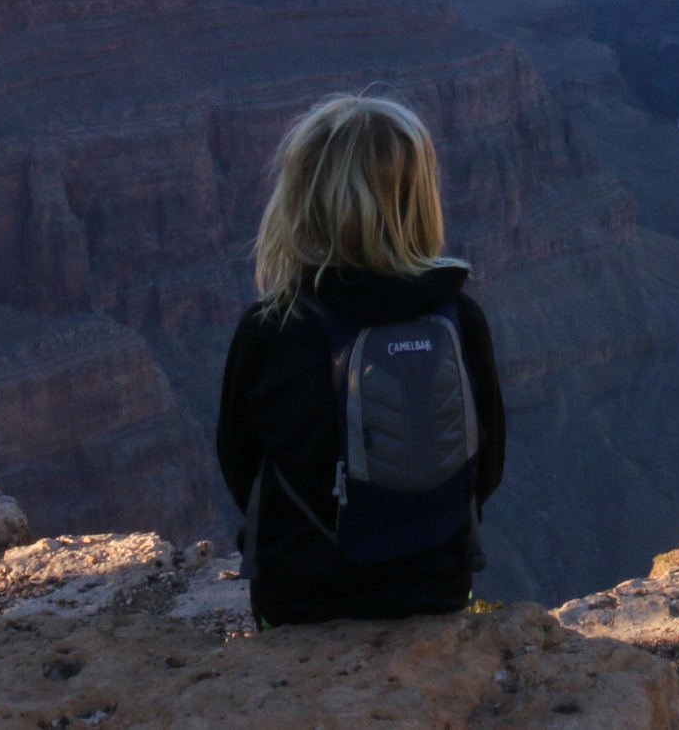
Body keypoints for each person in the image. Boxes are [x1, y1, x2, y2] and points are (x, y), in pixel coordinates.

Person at [216, 94, 505, 624]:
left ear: (300, 197)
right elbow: (486, 466)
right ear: (419, 197)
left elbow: (241, 468)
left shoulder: (272, 327)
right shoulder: (459, 317)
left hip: (303, 603)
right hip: (436, 591)